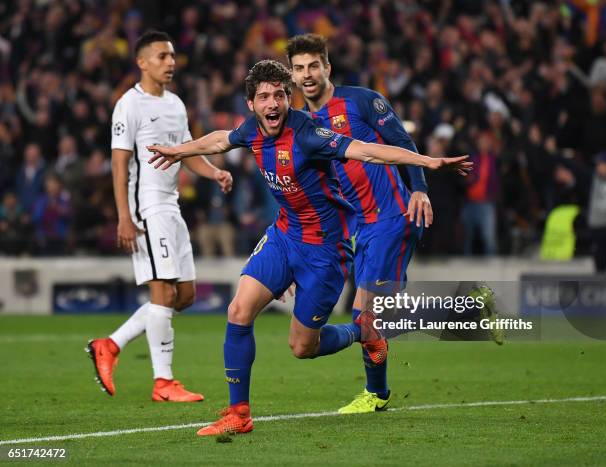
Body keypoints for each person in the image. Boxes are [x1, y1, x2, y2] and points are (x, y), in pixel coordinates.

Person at [148, 59, 471, 435]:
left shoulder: (309, 135)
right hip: (284, 237)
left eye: (280, 96)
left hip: (324, 252)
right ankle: (238, 414)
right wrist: (180, 151)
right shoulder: (252, 129)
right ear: (251, 104)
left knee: (302, 347)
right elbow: (221, 138)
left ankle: (362, 334)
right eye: (264, 97)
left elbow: (367, 151)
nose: (273, 104)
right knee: (238, 311)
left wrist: (426, 163)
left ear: (289, 99)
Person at [85, 31, 233, 402]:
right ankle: (163, 382)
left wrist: (213, 172)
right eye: (163, 56)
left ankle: (111, 344)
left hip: (171, 204)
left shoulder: (176, 104)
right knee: (163, 291)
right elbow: (119, 166)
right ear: (142, 62)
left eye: (172, 56)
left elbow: (186, 152)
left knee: (184, 296)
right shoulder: (128, 105)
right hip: (147, 207)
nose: (171, 62)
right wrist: (124, 216)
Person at [286, 33, 430, 414]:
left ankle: (376, 394)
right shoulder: (299, 125)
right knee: (377, 316)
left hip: (393, 215)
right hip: (360, 228)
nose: (307, 74)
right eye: (299, 68)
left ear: (327, 67)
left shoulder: (362, 100)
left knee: (365, 313)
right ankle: (466, 307)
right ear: (292, 75)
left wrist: (419, 188)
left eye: (314, 65)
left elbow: (403, 142)